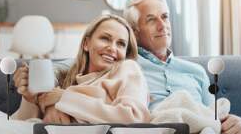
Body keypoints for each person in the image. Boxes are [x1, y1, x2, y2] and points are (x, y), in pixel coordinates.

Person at [123, 0, 241, 134]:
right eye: (151, 20)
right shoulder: (125, 68)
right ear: (134, 32)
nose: (162, 25)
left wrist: (238, 125)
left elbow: (213, 116)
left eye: (165, 17)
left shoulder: (196, 71)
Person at [11, 14, 150, 124]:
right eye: (105, 39)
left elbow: (135, 118)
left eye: (121, 44)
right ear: (86, 44)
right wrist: (30, 97)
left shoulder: (128, 69)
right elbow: (25, 126)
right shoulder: (63, 81)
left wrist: (64, 98)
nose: (112, 48)